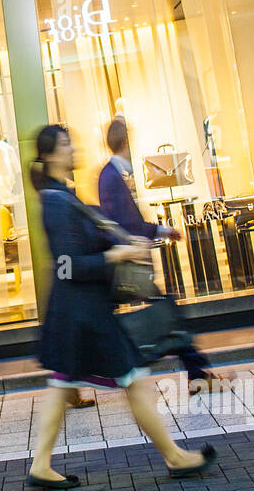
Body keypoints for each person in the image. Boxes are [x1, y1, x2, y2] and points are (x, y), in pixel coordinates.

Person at [26, 126, 218, 489]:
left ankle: (40, 464)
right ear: (51, 155)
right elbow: (68, 264)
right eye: (67, 144)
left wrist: (123, 240)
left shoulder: (60, 196)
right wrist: (119, 253)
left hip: (76, 315)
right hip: (85, 315)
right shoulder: (55, 202)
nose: (73, 148)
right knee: (132, 378)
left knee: (63, 383)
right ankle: (175, 458)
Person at [97, 117, 233, 394]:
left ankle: (195, 372)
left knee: (165, 312)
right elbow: (118, 224)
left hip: (131, 260)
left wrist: (161, 230)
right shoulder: (111, 177)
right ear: (125, 142)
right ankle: (192, 372)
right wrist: (140, 241)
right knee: (167, 312)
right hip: (131, 264)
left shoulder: (113, 175)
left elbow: (124, 221)